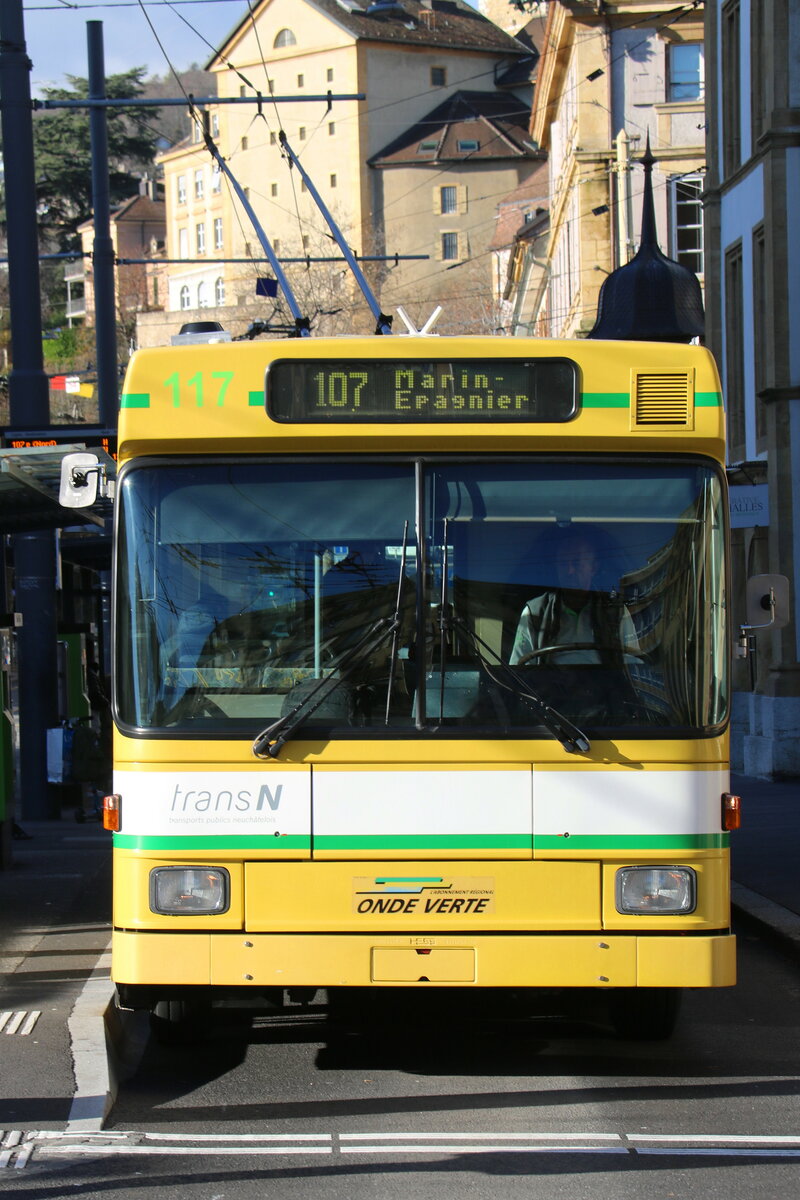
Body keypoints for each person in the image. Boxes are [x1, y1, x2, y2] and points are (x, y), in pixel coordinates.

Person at [509, 526, 638, 667]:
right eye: (564, 563)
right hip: (548, 688)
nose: (569, 570)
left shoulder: (617, 611)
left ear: (593, 568)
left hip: (604, 688)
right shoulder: (534, 612)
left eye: (576, 563)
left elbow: (632, 669)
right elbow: (519, 671)